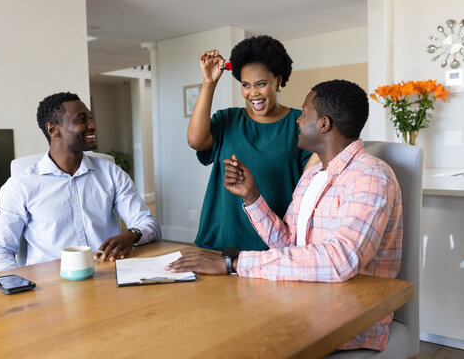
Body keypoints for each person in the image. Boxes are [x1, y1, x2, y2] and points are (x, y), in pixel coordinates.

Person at [167, 80, 403, 351]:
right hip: (303, 301)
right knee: (204, 317)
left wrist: (233, 263)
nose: (298, 121)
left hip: (346, 321)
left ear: (324, 124)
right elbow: (287, 241)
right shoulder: (314, 175)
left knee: (224, 335)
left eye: (304, 113)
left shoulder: (371, 176)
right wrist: (252, 196)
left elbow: (341, 260)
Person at [0, 92, 161, 273]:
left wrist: (131, 235)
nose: (93, 126)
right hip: (49, 289)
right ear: (53, 129)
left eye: (91, 118)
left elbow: (149, 224)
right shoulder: (21, 185)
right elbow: (0, 250)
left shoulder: (111, 173)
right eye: (81, 120)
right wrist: (17, 287)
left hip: (105, 279)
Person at [188, 35, 318, 252]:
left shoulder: (299, 123)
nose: (253, 93)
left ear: (278, 80)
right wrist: (209, 83)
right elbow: (195, 141)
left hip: (273, 243)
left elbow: (310, 183)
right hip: (223, 237)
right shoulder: (228, 119)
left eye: (261, 84)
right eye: (246, 85)